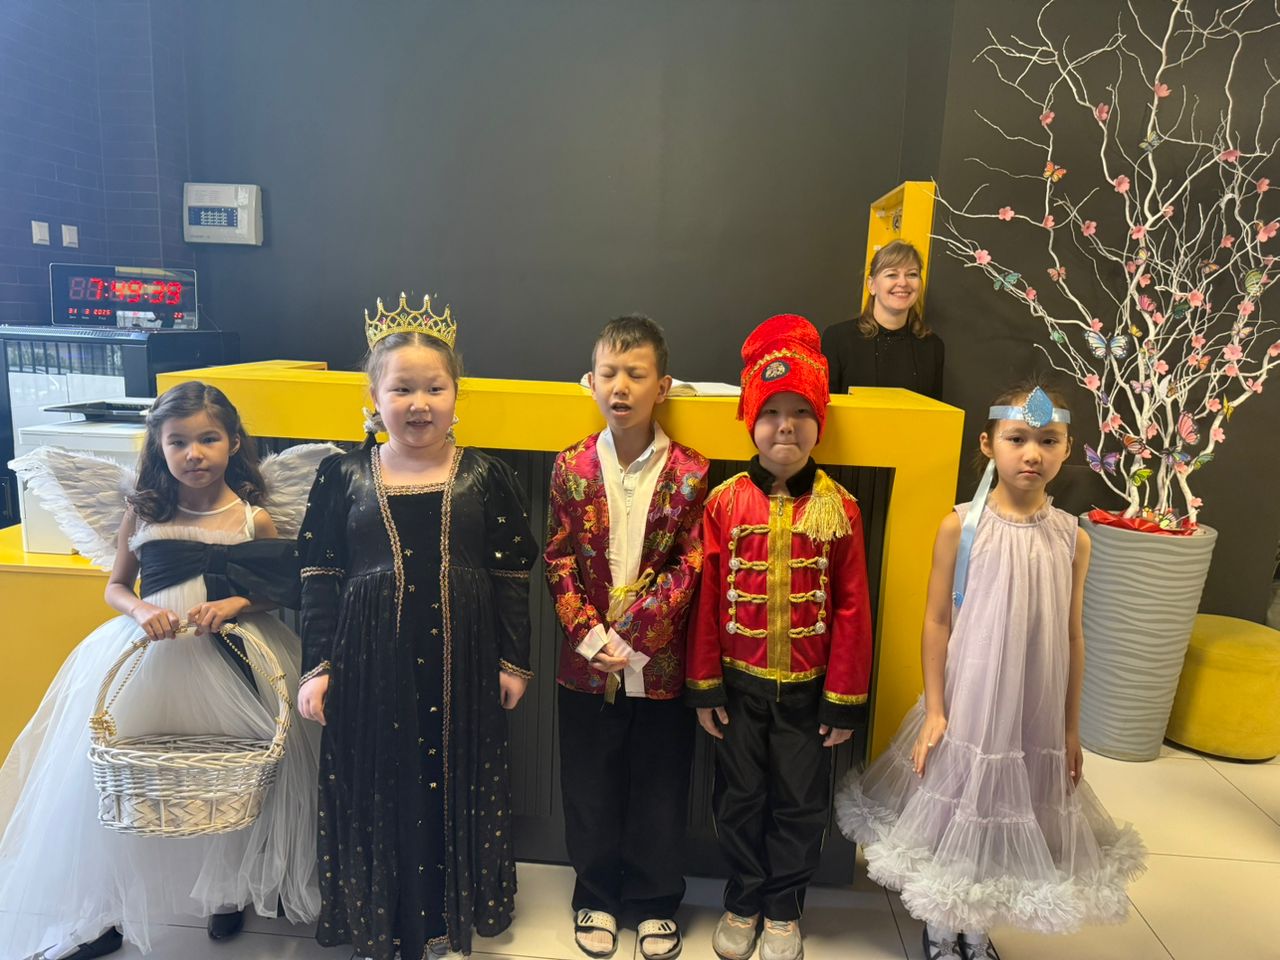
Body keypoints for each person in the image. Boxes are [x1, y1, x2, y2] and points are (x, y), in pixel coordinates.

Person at [1, 382, 323, 959]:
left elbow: (279, 589)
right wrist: (141, 609)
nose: (194, 453)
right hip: (150, 656)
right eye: (178, 442)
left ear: (233, 442)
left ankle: (228, 890)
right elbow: (116, 585)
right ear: (159, 445)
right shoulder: (144, 511)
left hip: (232, 662)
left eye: (208, 439)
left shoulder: (253, 517)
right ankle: (105, 908)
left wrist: (237, 603)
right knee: (123, 777)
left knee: (231, 774)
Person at [835, 382, 1146, 960]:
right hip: (973, 700)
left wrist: (1070, 729)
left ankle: (977, 927)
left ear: (1067, 447)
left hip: (1033, 705)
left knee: (1013, 806)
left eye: (1048, 441)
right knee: (961, 803)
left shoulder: (1073, 538)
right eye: (1017, 438)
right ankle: (942, 923)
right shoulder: (961, 528)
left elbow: (1072, 636)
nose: (1032, 453)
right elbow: (936, 622)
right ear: (988, 444)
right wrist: (936, 709)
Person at [296, 293, 537, 960]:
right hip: (369, 665)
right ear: (374, 397)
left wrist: (513, 661)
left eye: (435, 388)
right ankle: (383, 918)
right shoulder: (342, 476)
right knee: (383, 782)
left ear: (457, 395)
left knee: (451, 776)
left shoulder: (486, 476)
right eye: (401, 389)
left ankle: (443, 918)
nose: (419, 403)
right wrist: (317, 667)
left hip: (464, 661)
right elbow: (318, 576)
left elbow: (512, 574)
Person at [686, 314, 873, 960]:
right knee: (739, 799)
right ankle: (742, 900)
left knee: (800, 804)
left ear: (820, 422)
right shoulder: (723, 502)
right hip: (737, 692)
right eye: (770, 412)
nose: (785, 426)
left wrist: (842, 700)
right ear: (750, 420)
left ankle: (784, 908)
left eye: (800, 412)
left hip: (808, 697)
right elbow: (708, 599)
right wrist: (705, 686)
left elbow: (852, 606)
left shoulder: (839, 506)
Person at [545, 315, 709, 960]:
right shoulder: (571, 466)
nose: (621, 387)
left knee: (660, 786)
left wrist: (635, 639)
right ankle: (595, 894)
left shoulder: (692, 472)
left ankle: (654, 899)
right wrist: (592, 638)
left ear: (661, 386)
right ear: (590, 382)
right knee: (589, 782)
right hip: (585, 664)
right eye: (608, 373)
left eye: (636, 375)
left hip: (658, 663)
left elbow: (690, 562)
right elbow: (558, 558)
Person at [821, 239, 944, 399]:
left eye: (912, 274)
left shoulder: (933, 346)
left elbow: (934, 411)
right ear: (871, 285)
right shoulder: (838, 339)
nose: (903, 282)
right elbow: (825, 407)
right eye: (892, 274)